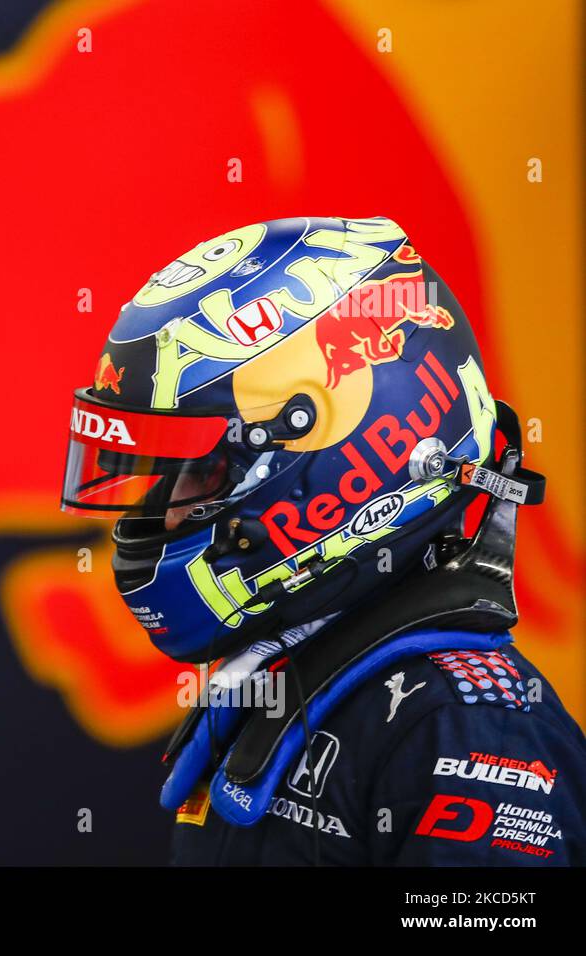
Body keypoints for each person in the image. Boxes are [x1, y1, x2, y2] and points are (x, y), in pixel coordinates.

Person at [59, 216, 586, 864]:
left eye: (200, 472)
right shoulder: (283, 674)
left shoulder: (465, 730)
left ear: (345, 455)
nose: (165, 514)